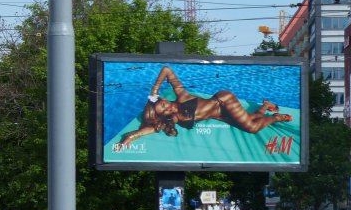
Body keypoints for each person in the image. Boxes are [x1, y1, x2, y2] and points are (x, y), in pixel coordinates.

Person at [116, 65, 293, 149]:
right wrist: (127, 140)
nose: (167, 106)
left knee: (252, 127)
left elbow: (167, 70)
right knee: (251, 119)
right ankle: (266, 106)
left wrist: (154, 91)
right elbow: (146, 131)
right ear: (163, 115)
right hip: (219, 114)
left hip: (224, 101)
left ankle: (278, 117)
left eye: (163, 102)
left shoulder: (182, 96)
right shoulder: (173, 120)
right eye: (163, 109)